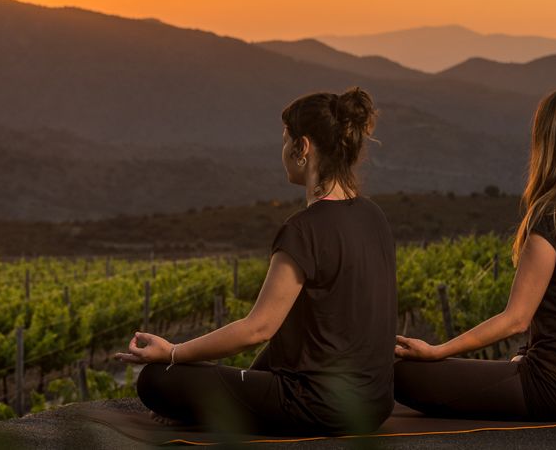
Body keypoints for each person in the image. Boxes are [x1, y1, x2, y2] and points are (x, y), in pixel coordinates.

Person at [113, 87, 397, 436]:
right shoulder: (374, 216)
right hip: (375, 403)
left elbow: (257, 330)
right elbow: (289, 331)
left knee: (157, 380)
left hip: (321, 405)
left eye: (284, 140)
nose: (281, 151)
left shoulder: (303, 229)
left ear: (302, 148)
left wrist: (173, 352)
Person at [392, 87, 556, 421]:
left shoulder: (550, 216)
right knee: (515, 361)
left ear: (546, 143)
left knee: (400, 374)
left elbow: (516, 319)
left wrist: (437, 351)